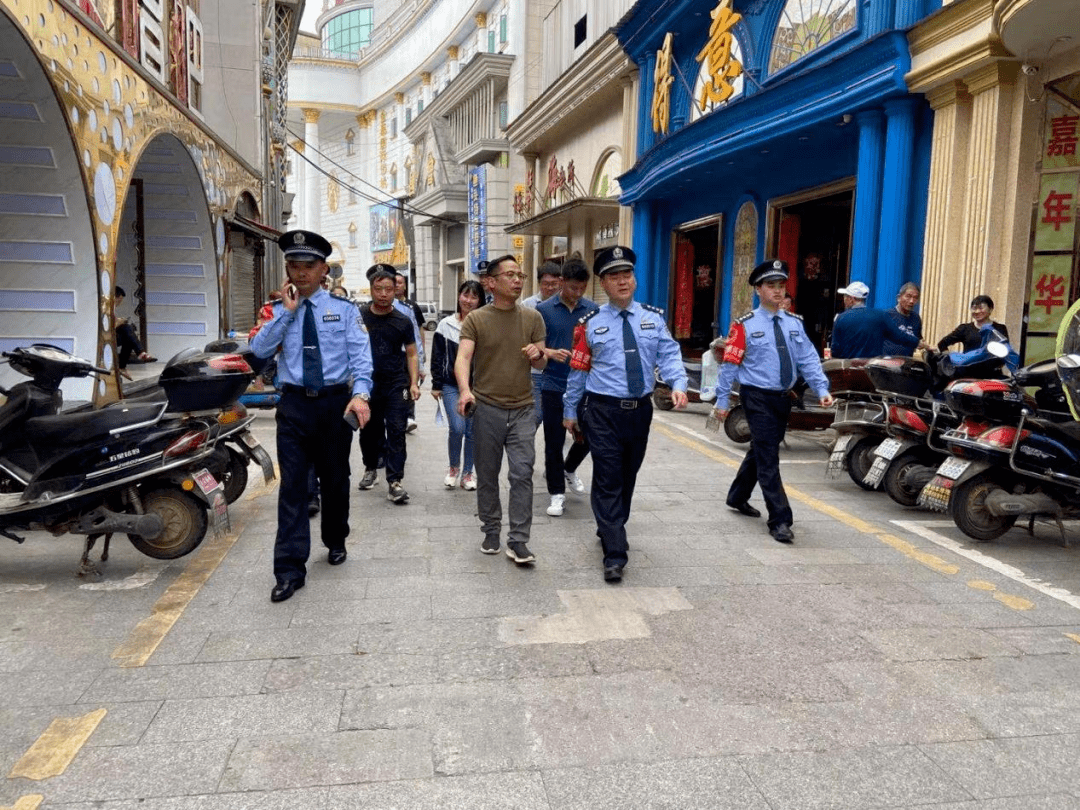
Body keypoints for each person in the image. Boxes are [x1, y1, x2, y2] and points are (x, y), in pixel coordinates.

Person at [250, 229, 373, 603]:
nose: (301, 273)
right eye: (294, 265)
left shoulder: (346, 310)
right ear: (287, 268)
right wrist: (286, 315)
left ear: (324, 270)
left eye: (309, 266)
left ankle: (335, 537)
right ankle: (289, 569)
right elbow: (258, 350)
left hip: (334, 405)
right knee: (292, 489)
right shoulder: (274, 312)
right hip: (294, 407)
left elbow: (360, 358)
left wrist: (361, 395)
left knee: (336, 480)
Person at [563, 246, 688, 583]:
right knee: (608, 475)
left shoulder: (653, 318)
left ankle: (611, 525)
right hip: (602, 409)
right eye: (614, 276)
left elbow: (670, 354)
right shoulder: (588, 325)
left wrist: (678, 382)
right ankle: (615, 552)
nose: (623, 281)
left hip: (640, 411)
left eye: (627, 275)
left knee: (628, 475)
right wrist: (570, 409)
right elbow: (578, 371)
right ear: (602, 283)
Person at [714, 259, 834, 544]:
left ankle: (737, 495)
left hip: (783, 398)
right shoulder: (743, 326)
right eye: (771, 286)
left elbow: (807, 358)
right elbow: (729, 366)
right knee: (769, 456)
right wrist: (720, 400)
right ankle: (780, 519)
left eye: (781, 286)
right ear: (758, 290)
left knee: (761, 449)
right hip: (755, 396)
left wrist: (821, 389)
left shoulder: (794, 323)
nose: (778, 291)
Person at [455, 255, 547, 564]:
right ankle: (491, 529)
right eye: (510, 275)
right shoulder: (476, 319)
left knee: (522, 474)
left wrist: (538, 354)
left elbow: (542, 363)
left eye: (520, 274)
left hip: (523, 408)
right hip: (487, 408)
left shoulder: (533, 318)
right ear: (491, 282)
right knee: (488, 474)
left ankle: (519, 540)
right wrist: (465, 390)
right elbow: (463, 358)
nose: (518, 280)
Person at [356, 265, 420, 503]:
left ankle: (395, 481)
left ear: (396, 291)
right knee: (369, 430)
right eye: (378, 288)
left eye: (388, 289)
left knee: (396, 431)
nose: (383, 293)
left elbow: (412, 354)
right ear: (371, 289)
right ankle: (371, 469)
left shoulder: (403, 321)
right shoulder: (360, 316)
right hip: (368, 384)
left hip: (397, 384)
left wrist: (413, 383)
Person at [537, 258, 595, 517]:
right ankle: (556, 493)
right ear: (561, 283)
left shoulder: (593, 310)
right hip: (553, 384)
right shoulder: (543, 310)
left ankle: (569, 468)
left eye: (582, 288)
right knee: (554, 442)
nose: (577, 293)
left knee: (589, 436)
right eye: (572, 288)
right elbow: (534, 348)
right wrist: (549, 352)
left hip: (584, 387)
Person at [431, 279, 484, 491]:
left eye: (474, 296)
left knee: (472, 432)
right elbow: (437, 356)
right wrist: (436, 384)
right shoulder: (446, 325)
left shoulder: (484, 323)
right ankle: (454, 467)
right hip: (452, 385)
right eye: (465, 295)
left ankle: (468, 473)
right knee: (457, 427)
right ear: (458, 296)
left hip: (479, 387)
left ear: (480, 300)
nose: (468, 300)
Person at [829, 281, 927, 359]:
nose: (844, 299)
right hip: (872, 369)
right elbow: (899, 335)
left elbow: (835, 350)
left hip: (849, 368)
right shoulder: (880, 316)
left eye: (845, 296)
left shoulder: (841, 318)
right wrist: (918, 343)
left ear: (852, 298)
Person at [522, 261, 563, 426]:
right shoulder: (528, 306)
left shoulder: (566, 305)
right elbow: (524, 339)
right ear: (539, 284)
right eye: (546, 284)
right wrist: (547, 352)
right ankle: (523, 447)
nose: (551, 288)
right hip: (537, 372)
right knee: (537, 415)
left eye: (555, 284)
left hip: (560, 371)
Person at [395, 272, 426, 434]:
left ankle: (408, 416)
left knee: (408, 386)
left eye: (400, 282)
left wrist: (421, 358)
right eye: (395, 282)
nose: (397, 285)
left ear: (405, 285)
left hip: (407, 356)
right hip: (389, 359)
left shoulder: (411, 307)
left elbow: (418, 332)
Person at [937, 294, 1010, 352]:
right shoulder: (965, 329)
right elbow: (942, 344)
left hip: (993, 370)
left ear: (990, 309)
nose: (977, 311)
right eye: (974, 308)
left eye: (981, 308)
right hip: (967, 370)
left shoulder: (1000, 328)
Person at [113, 286, 155, 379]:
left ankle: (123, 366)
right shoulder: (106, 308)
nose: (119, 303)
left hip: (113, 335)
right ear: (115, 297)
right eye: (119, 300)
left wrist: (120, 321)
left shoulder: (112, 308)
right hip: (107, 336)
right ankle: (139, 353)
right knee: (127, 329)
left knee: (128, 336)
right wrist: (119, 322)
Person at [882, 282, 923, 356]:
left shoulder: (916, 319)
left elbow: (918, 339)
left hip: (907, 362)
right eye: (908, 296)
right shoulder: (887, 315)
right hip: (887, 362)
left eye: (915, 298)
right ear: (899, 297)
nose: (911, 301)